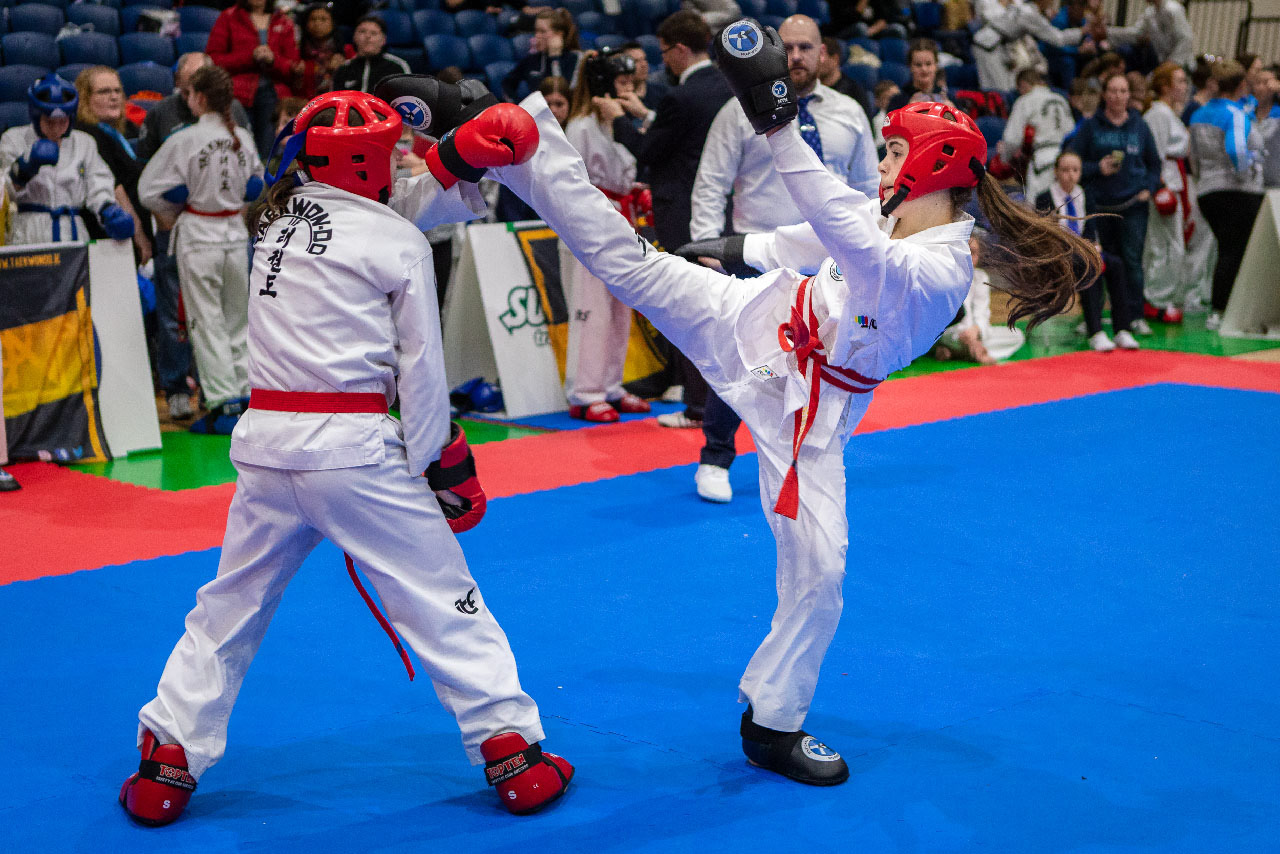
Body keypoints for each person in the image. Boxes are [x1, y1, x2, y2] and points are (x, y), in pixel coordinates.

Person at [396, 22, 1098, 786]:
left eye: (895, 150)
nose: (883, 163)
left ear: (934, 164)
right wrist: (734, 249)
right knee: (626, 261)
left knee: (820, 574)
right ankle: (512, 136)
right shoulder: (886, 213)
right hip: (755, 318)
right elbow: (811, 238)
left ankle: (772, 723)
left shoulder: (941, 268)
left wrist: (778, 122)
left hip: (809, 412)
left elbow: (852, 243)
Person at [118, 89, 573, 827]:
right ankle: (509, 746)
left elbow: (364, 216)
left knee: (228, 607)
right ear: (374, 162)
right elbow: (421, 366)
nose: (402, 163)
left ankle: (168, 754)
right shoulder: (395, 239)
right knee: (441, 597)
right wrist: (443, 460)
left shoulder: (276, 223)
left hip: (267, 450)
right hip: (354, 452)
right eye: (394, 153)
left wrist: (452, 158)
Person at [688, 13, 878, 503]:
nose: (795, 56)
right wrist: (706, 247)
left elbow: (868, 188)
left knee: (829, 363)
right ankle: (715, 456)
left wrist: (873, 249)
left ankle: (812, 457)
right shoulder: (737, 112)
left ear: (823, 53)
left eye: (805, 47)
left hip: (829, 262)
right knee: (743, 356)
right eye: (786, 47)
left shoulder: (849, 113)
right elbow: (711, 183)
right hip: (757, 255)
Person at [610, 10, 733, 430]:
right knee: (723, 310)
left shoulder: (680, 98)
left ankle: (697, 406)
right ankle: (721, 402)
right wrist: (646, 115)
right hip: (723, 214)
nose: (664, 61)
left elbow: (650, 153)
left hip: (682, 214)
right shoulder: (726, 87)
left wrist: (617, 119)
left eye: (664, 52)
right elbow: (687, 136)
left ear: (680, 48)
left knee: (688, 309)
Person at [138, 67, 263, 436]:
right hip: (234, 233)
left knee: (206, 321)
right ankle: (246, 397)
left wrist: (177, 203)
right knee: (238, 319)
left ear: (200, 98)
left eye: (190, 94)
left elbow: (148, 190)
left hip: (200, 233)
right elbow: (257, 184)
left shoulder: (185, 139)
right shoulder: (242, 136)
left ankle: (224, 403)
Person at [556, 58, 653, 423]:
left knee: (619, 310)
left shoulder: (621, 123)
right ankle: (585, 393)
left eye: (631, 82)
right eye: (622, 82)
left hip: (623, 219)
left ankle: (612, 385)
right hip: (591, 222)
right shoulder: (580, 126)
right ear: (604, 84)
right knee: (591, 310)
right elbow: (571, 181)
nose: (628, 89)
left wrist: (636, 190)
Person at [1067, 71, 1161, 337]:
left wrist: (1149, 188)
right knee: (1095, 262)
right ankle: (1092, 317)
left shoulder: (1140, 126)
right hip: (1098, 206)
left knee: (1132, 261)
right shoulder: (1090, 127)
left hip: (1133, 206)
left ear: (1129, 95)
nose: (1118, 96)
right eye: (1113, 90)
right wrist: (1097, 167)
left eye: (1123, 91)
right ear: (1104, 94)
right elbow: (1072, 161)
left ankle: (1135, 316)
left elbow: (1155, 164)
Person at [0, 73, 133, 247]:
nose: (56, 127)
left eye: (62, 121)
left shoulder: (84, 142)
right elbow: (3, 193)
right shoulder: (14, 139)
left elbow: (98, 182)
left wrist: (108, 210)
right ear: (36, 115)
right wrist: (24, 169)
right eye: (49, 121)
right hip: (28, 229)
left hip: (72, 230)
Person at [1189, 59, 1265, 331]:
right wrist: (1247, 172)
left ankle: (1220, 307)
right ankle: (1222, 309)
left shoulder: (1198, 114)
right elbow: (1236, 150)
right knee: (1234, 251)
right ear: (1241, 85)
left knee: (1225, 250)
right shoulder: (1235, 114)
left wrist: (1202, 179)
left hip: (1207, 190)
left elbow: (1193, 156)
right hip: (1237, 192)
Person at [1035, 150, 1136, 350]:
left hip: (1083, 251)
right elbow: (1044, 236)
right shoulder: (1044, 198)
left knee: (1116, 264)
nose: (1070, 175)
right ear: (1056, 172)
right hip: (1058, 256)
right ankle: (1095, 332)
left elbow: (1090, 229)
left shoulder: (1085, 195)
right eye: (1065, 170)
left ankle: (1122, 329)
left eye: (1075, 170)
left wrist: (1092, 246)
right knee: (1088, 265)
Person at [73, 66, 152, 264]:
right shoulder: (89, 135)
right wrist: (138, 233)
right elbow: (114, 188)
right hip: (111, 237)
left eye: (117, 91)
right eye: (104, 91)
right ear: (85, 99)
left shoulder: (120, 131)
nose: (114, 97)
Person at [207, 0, 301, 160]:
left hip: (274, 96)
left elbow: (293, 66)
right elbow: (213, 59)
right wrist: (250, 57)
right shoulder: (228, 17)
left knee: (268, 152)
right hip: (237, 94)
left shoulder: (284, 21)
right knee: (239, 150)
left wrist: (273, 60)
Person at [1142, 62, 1196, 322]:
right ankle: (1155, 299)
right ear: (1165, 86)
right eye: (1180, 81)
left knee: (1172, 243)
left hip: (1175, 181)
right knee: (1164, 245)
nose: (1185, 87)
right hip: (1165, 185)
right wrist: (1160, 188)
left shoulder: (1169, 113)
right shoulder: (1158, 114)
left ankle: (1161, 297)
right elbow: (1155, 154)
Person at [972, 0, 1088, 92]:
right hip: (988, 47)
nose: (1051, 2)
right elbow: (1058, 39)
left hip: (997, 47)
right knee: (996, 91)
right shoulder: (1030, 14)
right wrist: (1082, 31)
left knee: (1003, 89)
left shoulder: (1025, 8)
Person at [1001, 66, 1073, 200]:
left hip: (1042, 159)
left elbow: (1012, 139)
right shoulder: (1061, 99)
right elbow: (1072, 132)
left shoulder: (1025, 100)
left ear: (1023, 84)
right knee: (1064, 206)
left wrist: (1004, 158)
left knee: (1037, 208)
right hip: (1065, 158)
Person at [501, 8, 581, 102]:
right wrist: (517, 105)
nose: (537, 36)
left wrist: (555, 58)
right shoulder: (531, 60)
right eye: (536, 31)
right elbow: (507, 83)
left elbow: (561, 94)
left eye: (542, 31)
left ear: (559, 35)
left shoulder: (575, 58)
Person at [330, 14, 411, 94]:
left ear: (383, 40)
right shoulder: (343, 69)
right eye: (362, 32)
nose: (367, 36)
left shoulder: (398, 67)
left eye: (373, 33)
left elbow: (407, 98)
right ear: (354, 37)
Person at [1106, 0, 1194, 71]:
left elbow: (1186, 38)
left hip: (1181, 65)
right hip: (1162, 64)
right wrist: (1108, 32)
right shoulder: (1150, 13)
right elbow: (1136, 34)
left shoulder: (1173, 9)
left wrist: (1172, 62)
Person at [294, 2, 353, 98]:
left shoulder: (347, 51)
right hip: (306, 102)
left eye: (323, 19)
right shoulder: (297, 51)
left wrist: (342, 70)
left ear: (333, 23)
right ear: (306, 24)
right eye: (313, 19)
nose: (317, 23)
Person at [886, 39, 948, 112]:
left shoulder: (947, 98)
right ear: (910, 67)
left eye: (928, 64)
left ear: (936, 65)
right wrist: (908, 111)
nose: (924, 69)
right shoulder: (897, 101)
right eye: (918, 65)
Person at [818, 36, 873, 119]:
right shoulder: (809, 91)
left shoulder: (855, 92)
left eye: (820, 57)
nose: (815, 63)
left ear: (835, 59)